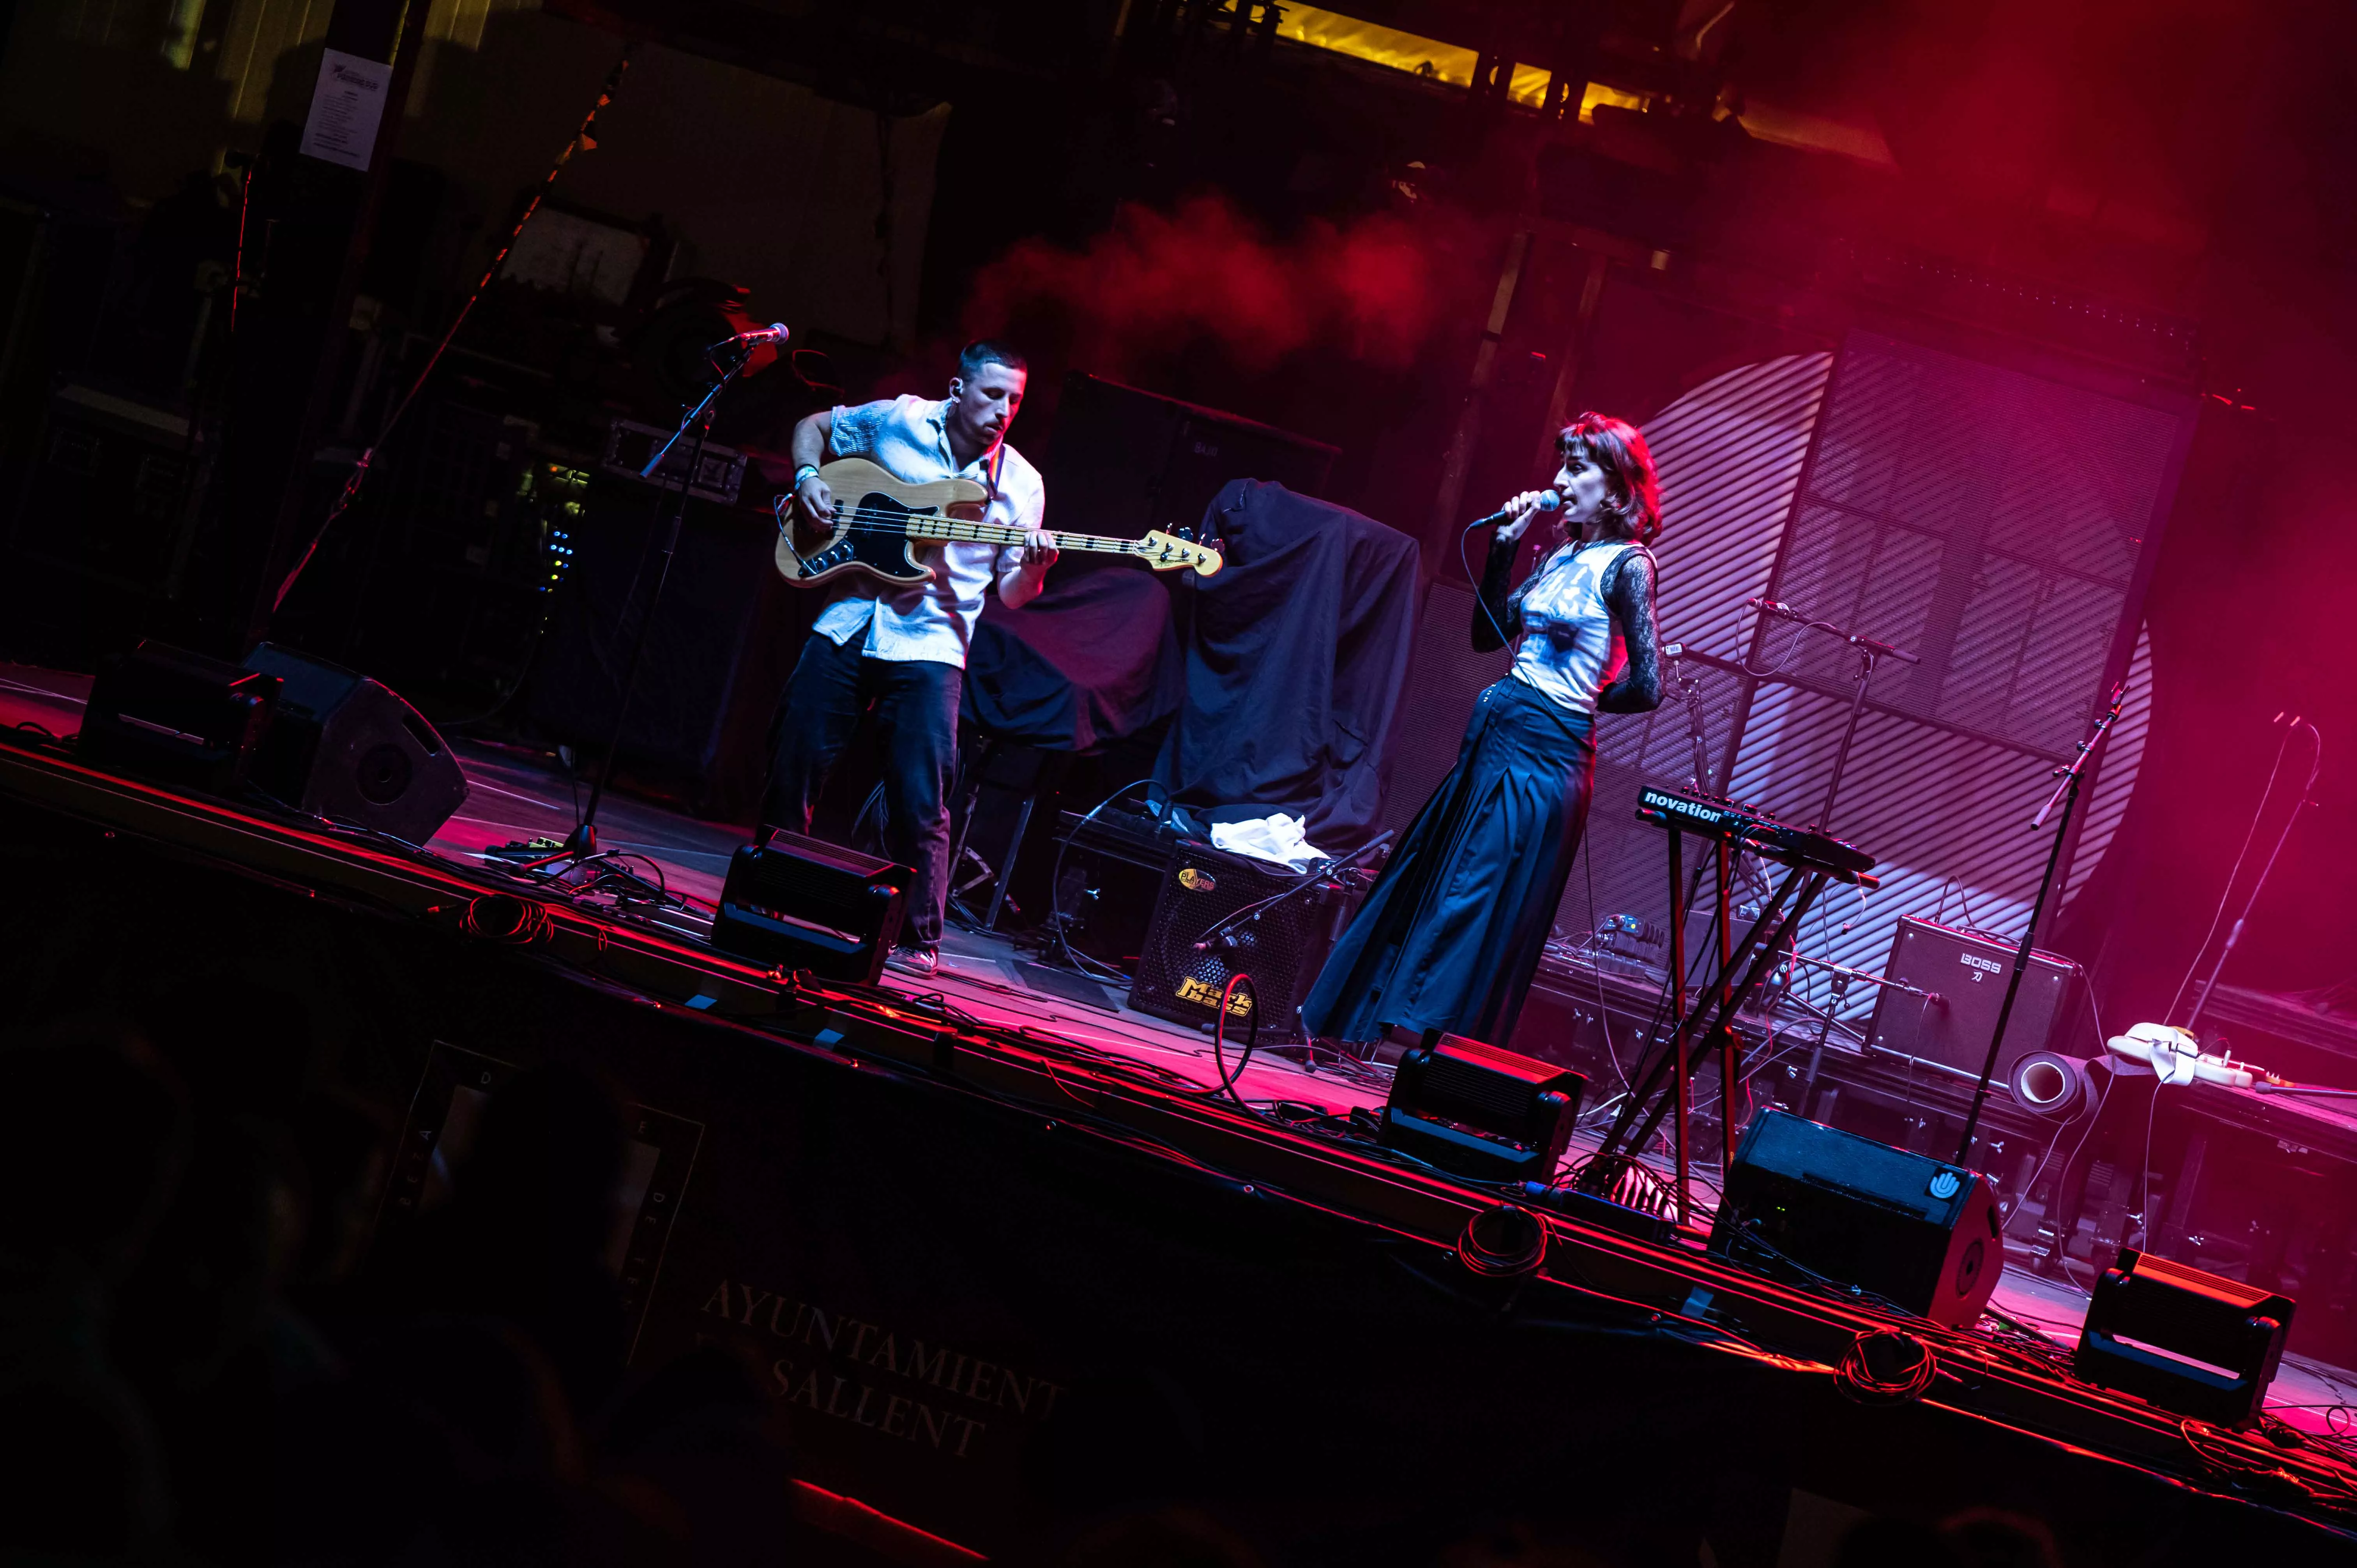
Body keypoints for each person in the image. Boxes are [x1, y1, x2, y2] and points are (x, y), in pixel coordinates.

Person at [1302, 412, 1664, 1050]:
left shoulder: (1629, 567)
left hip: (1544, 755)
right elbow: (1487, 635)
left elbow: (1649, 684)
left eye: (1575, 470)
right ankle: (1378, 1026)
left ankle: (1423, 1044)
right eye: (1562, 465)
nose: (1558, 480)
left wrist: (1571, 703)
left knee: (1477, 894)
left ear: (1614, 489)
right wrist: (1504, 548)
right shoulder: (1561, 555)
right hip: (1493, 742)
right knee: (1439, 874)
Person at [762, 341, 1058, 976]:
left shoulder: (1022, 485)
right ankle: (768, 901)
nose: (1004, 409)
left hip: (932, 643)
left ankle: (919, 939)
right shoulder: (897, 421)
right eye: (992, 394)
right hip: (848, 621)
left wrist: (1034, 572)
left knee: (922, 798)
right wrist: (810, 476)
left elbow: (1011, 592)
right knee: (793, 763)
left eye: (1015, 400)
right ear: (959, 389)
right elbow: (813, 427)